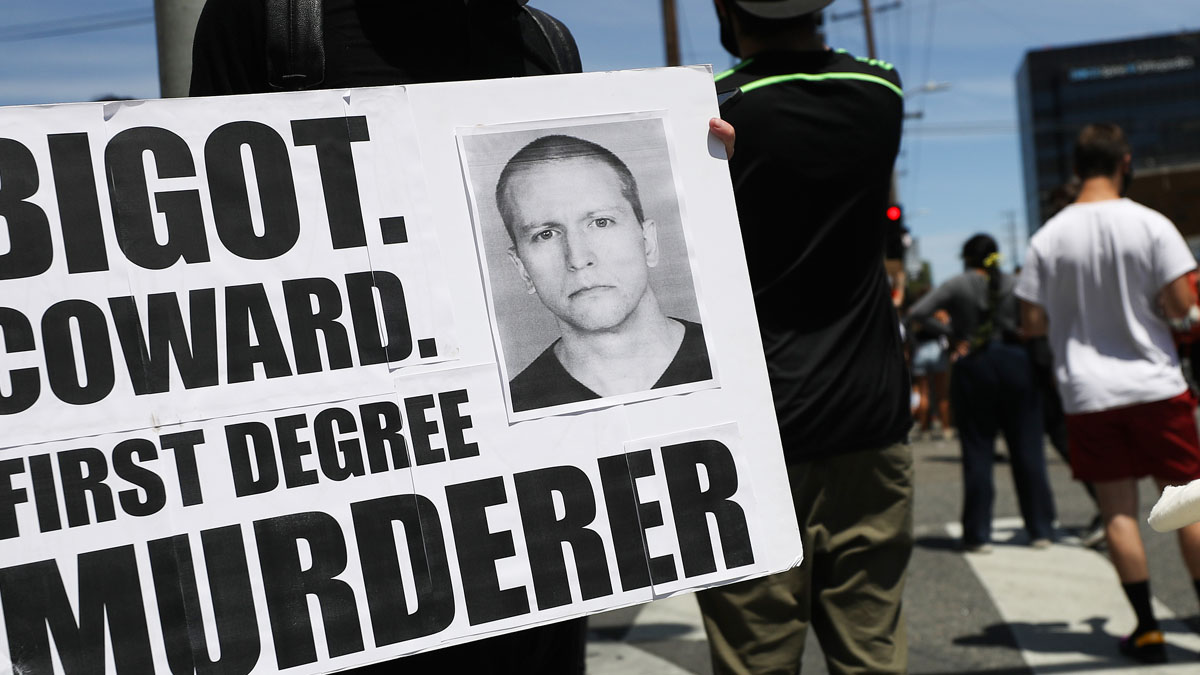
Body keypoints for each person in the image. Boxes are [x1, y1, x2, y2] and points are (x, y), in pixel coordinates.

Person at [694, 1, 913, 673]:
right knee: (872, 653)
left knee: (755, 655)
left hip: (752, 433)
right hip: (869, 415)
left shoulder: (715, 110)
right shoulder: (882, 91)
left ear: (728, 9)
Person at [1016, 123, 1200, 664]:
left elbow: (1030, 321)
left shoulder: (1047, 237)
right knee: (1188, 507)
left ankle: (1147, 630)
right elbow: (1178, 306)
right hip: (1156, 386)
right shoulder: (1151, 225)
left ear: (1076, 168)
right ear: (1126, 161)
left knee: (1118, 513)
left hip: (1088, 393)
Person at [494, 134, 712, 412]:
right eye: (546, 234)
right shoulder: (510, 414)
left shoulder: (740, 359)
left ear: (648, 242)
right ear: (522, 268)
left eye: (600, 222)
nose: (578, 257)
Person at [908, 234, 1057, 552]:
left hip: (974, 364)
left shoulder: (956, 285)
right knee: (1028, 450)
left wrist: (952, 335)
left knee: (978, 451)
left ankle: (978, 533)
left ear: (966, 258)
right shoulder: (1016, 283)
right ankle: (1040, 528)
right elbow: (1042, 317)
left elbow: (917, 314)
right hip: (1017, 361)